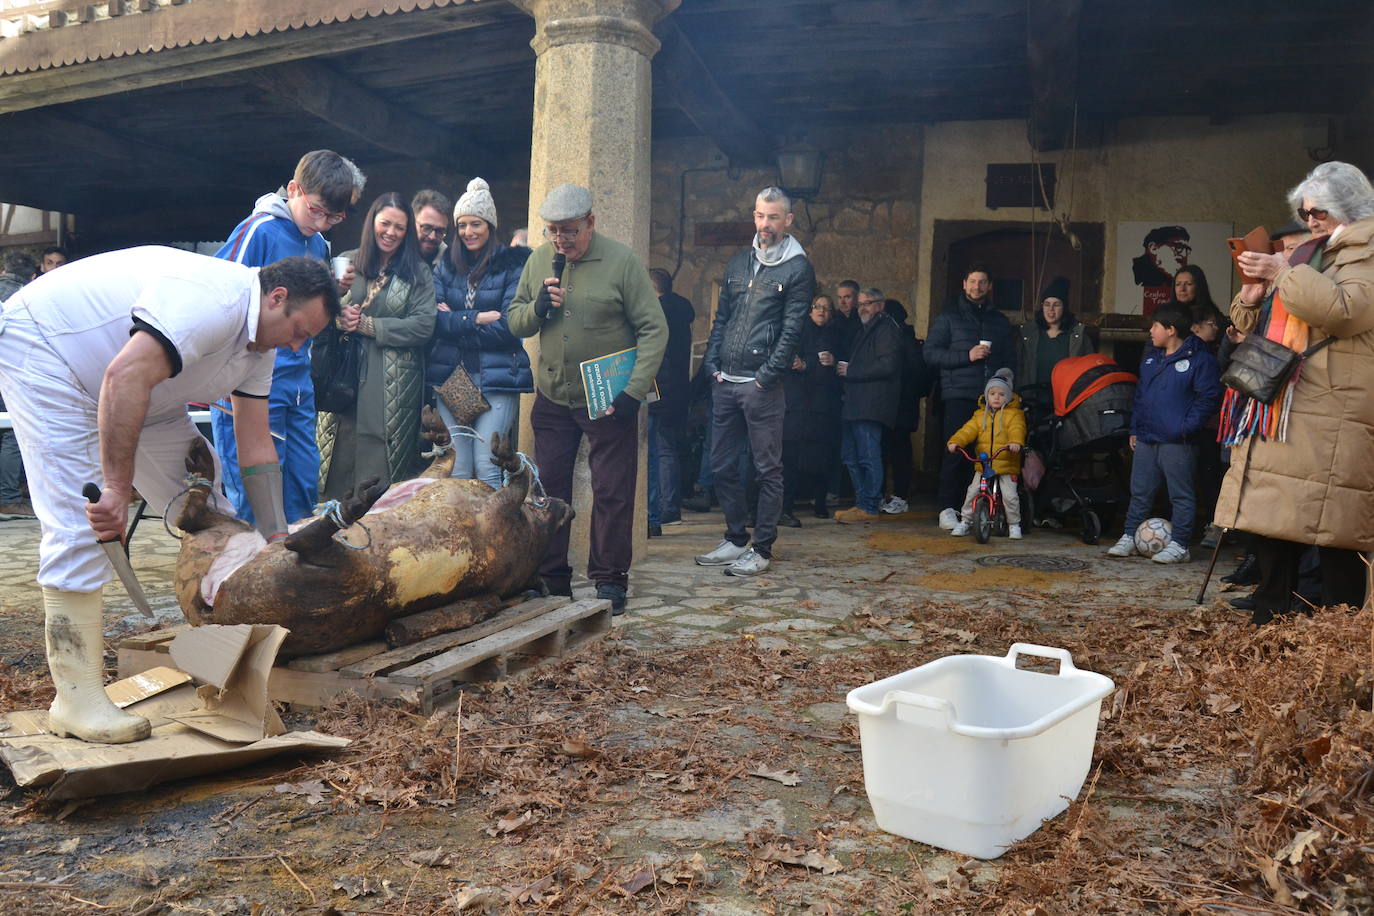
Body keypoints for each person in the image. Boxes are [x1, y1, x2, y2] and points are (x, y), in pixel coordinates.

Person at [0, 248, 338, 744]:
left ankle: (220, 649)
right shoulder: (213, 302)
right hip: (51, 354)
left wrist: (275, 537)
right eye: (299, 332)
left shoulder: (258, 348)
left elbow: (255, 441)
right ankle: (76, 699)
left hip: (148, 392)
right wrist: (117, 489)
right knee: (84, 522)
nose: (295, 346)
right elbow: (124, 376)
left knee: (214, 516)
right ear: (277, 298)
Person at [1216, 161, 1374, 624]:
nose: (1310, 221)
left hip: (1333, 407)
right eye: (1304, 212)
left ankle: (1335, 638)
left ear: (1349, 206)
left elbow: (1344, 311)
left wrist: (1284, 271)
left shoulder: (1366, 252)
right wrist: (1249, 297)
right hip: (1288, 402)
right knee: (1274, 520)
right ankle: (1271, 621)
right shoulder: (1313, 250)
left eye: (1319, 211)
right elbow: (1257, 324)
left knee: (1335, 529)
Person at [507, 184, 667, 615]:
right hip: (553, 397)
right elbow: (515, 320)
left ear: (591, 223)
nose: (561, 240)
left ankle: (611, 580)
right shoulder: (540, 259)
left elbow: (655, 329)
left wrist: (634, 391)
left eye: (570, 231)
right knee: (549, 491)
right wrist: (538, 308)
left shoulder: (622, 262)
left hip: (609, 400)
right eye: (553, 231)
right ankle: (552, 578)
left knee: (613, 491)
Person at [213, 149, 365, 526]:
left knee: (302, 483)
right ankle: (245, 572)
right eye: (316, 210)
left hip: (299, 381)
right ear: (295, 190)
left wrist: (335, 301)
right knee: (257, 490)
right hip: (249, 379)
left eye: (335, 217)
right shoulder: (260, 230)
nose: (323, 222)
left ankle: (293, 570)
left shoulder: (318, 244)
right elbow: (221, 294)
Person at [694, 187, 814, 574]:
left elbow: (792, 331)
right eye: (761, 216)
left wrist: (764, 378)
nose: (765, 224)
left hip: (761, 386)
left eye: (774, 217)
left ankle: (761, 549)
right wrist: (712, 363)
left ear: (788, 220)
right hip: (725, 380)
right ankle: (734, 538)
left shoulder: (798, 268)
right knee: (720, 464)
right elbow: (722, 319)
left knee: (767, 470)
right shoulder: (739, 263)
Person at [318, 192, 437, 499]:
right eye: (385, 223)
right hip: (343, 373)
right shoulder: (348, 262)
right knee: (338, 452)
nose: (391, 232)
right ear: (373, 223)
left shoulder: (417, 272)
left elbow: (424, 325)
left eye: (399, 227)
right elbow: (319, 310)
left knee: (380, 459)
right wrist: (338, 316)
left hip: (393, 381)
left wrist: (372, 326)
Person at [428, 178, 532, 489]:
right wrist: (475, 319)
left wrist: (455, 322)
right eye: (462, 225)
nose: (468, 232)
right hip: (452, 378)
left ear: (490, 225)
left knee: (488, 468)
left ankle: (496, 537)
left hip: (497, 378)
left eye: (476, 224)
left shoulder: (513, 265)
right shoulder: (446, 264)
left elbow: (509, 328)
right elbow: (434, 321)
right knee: (457, 470)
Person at [1106, 304, 1221, 564]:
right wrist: (1135, 428)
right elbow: (1141, 396)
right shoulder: (1150, 359)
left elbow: (1209, 397)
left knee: (1180, 494)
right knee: (1140, 491)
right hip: (1147, 436)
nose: (1151, 331)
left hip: (1178, 440)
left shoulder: (1200, 360)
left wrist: (1186, 427)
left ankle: (1180, 544)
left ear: (1171, 330)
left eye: (1155, 326)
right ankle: (1129, 536)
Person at [925, 264, 1016, 530]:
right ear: (964, 284)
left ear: (989, 287)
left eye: (982, 282)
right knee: (956, 452)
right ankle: (946, 508)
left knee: (986, 455)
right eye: (972, 281)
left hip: (992, 400)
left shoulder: (998, 321)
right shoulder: (948, 318)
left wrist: (1008, 388)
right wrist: (967, 356)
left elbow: (1010, 358)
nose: (977, 287)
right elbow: (930, 354)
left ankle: (976, 511)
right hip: (959, 395)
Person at [834, 289, 903, 523]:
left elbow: (888, 366)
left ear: (880, 305)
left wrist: (851, 371)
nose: (862, 307)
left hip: (871, 404)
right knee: (851, 455)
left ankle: (870, 506)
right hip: (856, 403)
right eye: (860, 303)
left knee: (868, 456)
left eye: (868, 303)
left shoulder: (886, 329)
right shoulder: (867, 328)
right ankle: (862, 502)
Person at [780, 295, 843, 525]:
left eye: (826, 308)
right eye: (817, 307)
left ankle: (819, 502)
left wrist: (833, 362)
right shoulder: (797, 331)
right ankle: (786, 507)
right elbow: (791, 358)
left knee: (821, 456)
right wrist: (808, 364)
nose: (821, 311)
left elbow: (840, 365)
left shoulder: (837, 334)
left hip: (823, 405)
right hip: (797, 403)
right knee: (791, 456)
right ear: (809, 310)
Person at [947, 368, 1026, 538]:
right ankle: (965, 521)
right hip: (984, 464)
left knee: (1010, 496)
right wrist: (956, 441)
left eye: (1001, 394)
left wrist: (1015, 442)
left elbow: (1017, 429)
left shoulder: (1014, 415)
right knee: (972, 491)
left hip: (1006, 463)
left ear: (1009, 396)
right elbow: (967, 430)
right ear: (986, 395)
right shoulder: (979, 415)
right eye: (992, 393)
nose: (996, 397)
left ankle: (1014, 524)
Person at [646, 268, 696, 535]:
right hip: (678, 386)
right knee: (667, 448)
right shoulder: (682, 310)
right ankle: (668, 507)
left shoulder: (655, 313)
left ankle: (662, 510)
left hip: (658, 387)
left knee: (658, 449)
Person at [1015, 275, 1093, 417]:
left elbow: (1089, 371)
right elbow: (1019, 367)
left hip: (1066, 404)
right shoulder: (1028, 334)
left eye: (1056, 304)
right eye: (1046, 304)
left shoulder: (1078, 336)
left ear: (1064, 307)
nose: (1051, 310)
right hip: (1032, 402)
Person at [879, 298, 930, 514]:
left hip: (901, 407)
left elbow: (918, 377)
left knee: (899, 453)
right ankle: (889, 494)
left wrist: (900, 394)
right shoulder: (903, 340)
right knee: (888, 451)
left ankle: (900, 495)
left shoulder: (905, 342)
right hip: (894, 407)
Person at [0, 251, 40, 514]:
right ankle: (9, 498)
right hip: (12, 371)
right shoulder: (25, 298)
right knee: (13, 433)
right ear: (33, 276)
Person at [1131, 225, 1191, 314]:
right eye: (1178, 247)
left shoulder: (1172, 279)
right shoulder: (1136, 277)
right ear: (1153, 248)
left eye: (1186, 250)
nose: (1183, 255)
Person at [411, 189, 453, 268]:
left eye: (440, 231)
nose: (432, 237)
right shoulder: (391, 253)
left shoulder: (451, 266)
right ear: (412, 223)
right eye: (426, 228)